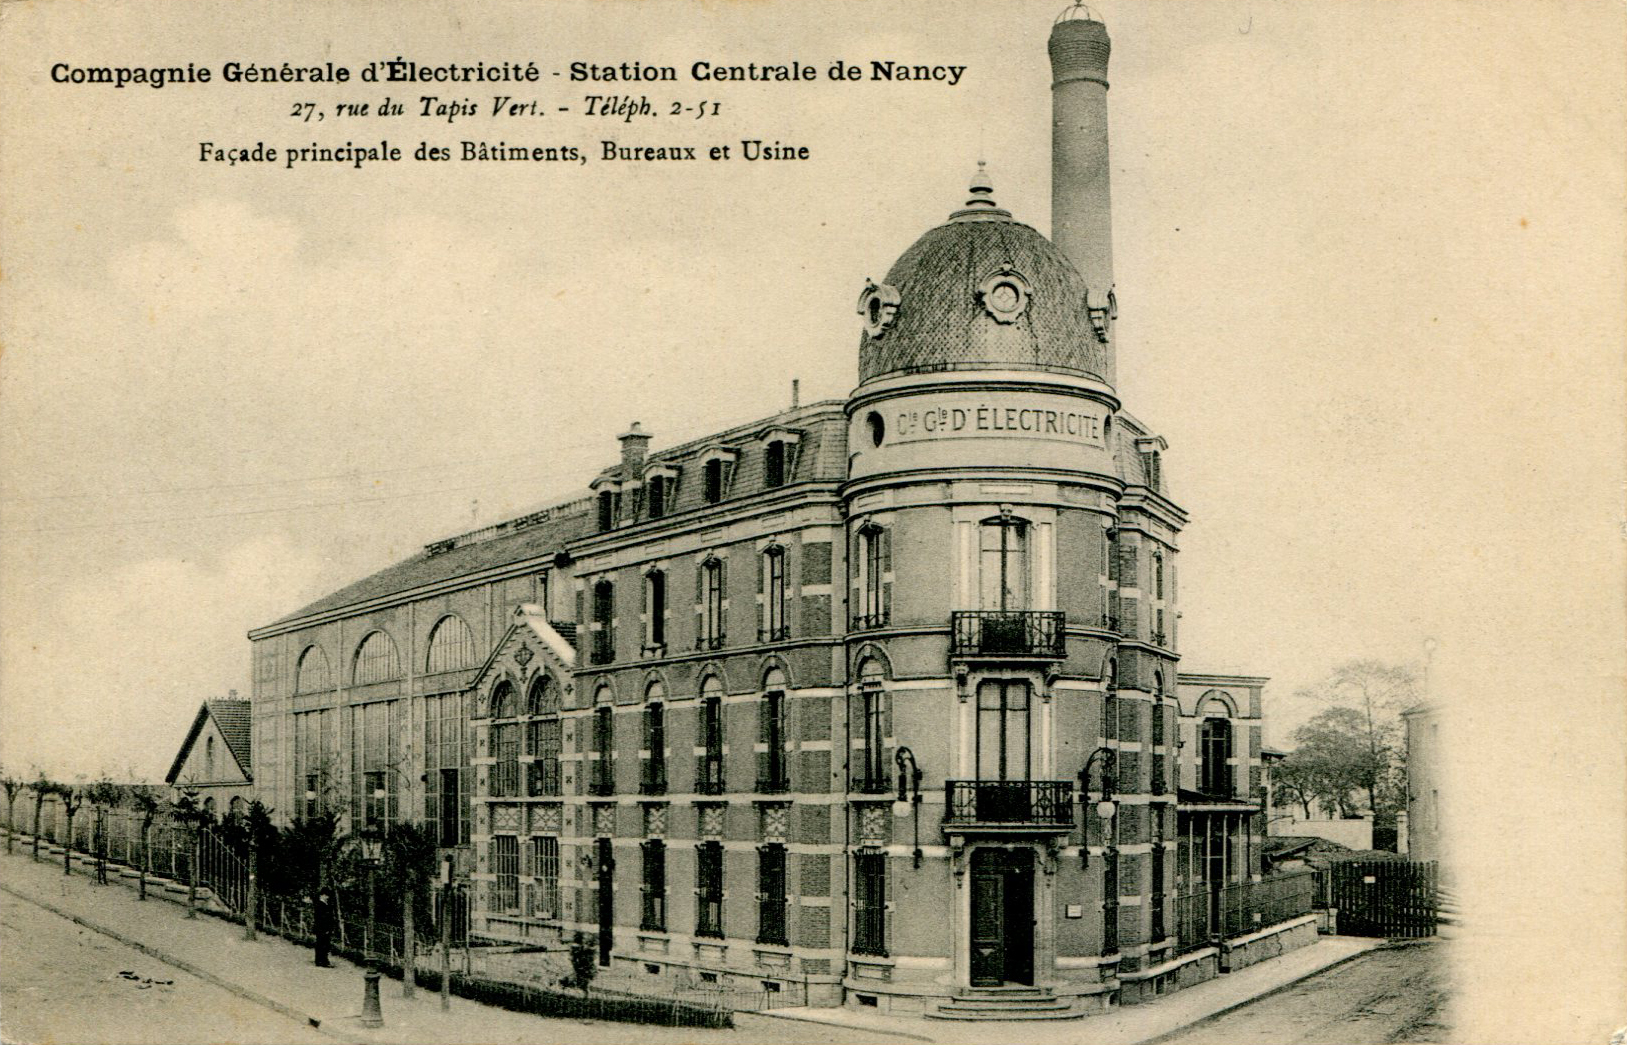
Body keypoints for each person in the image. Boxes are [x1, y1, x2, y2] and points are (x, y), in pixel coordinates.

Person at [314, 888, 334, 967]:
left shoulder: (325, 904)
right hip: (322, 928)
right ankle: (321, 961)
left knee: (325, 944)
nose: (327, 897)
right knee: (322, 944)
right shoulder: (320, 905)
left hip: (325, 928)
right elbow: (320, 918)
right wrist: (325, 928)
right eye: (326, 895)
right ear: (322, 895)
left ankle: (322, 960)